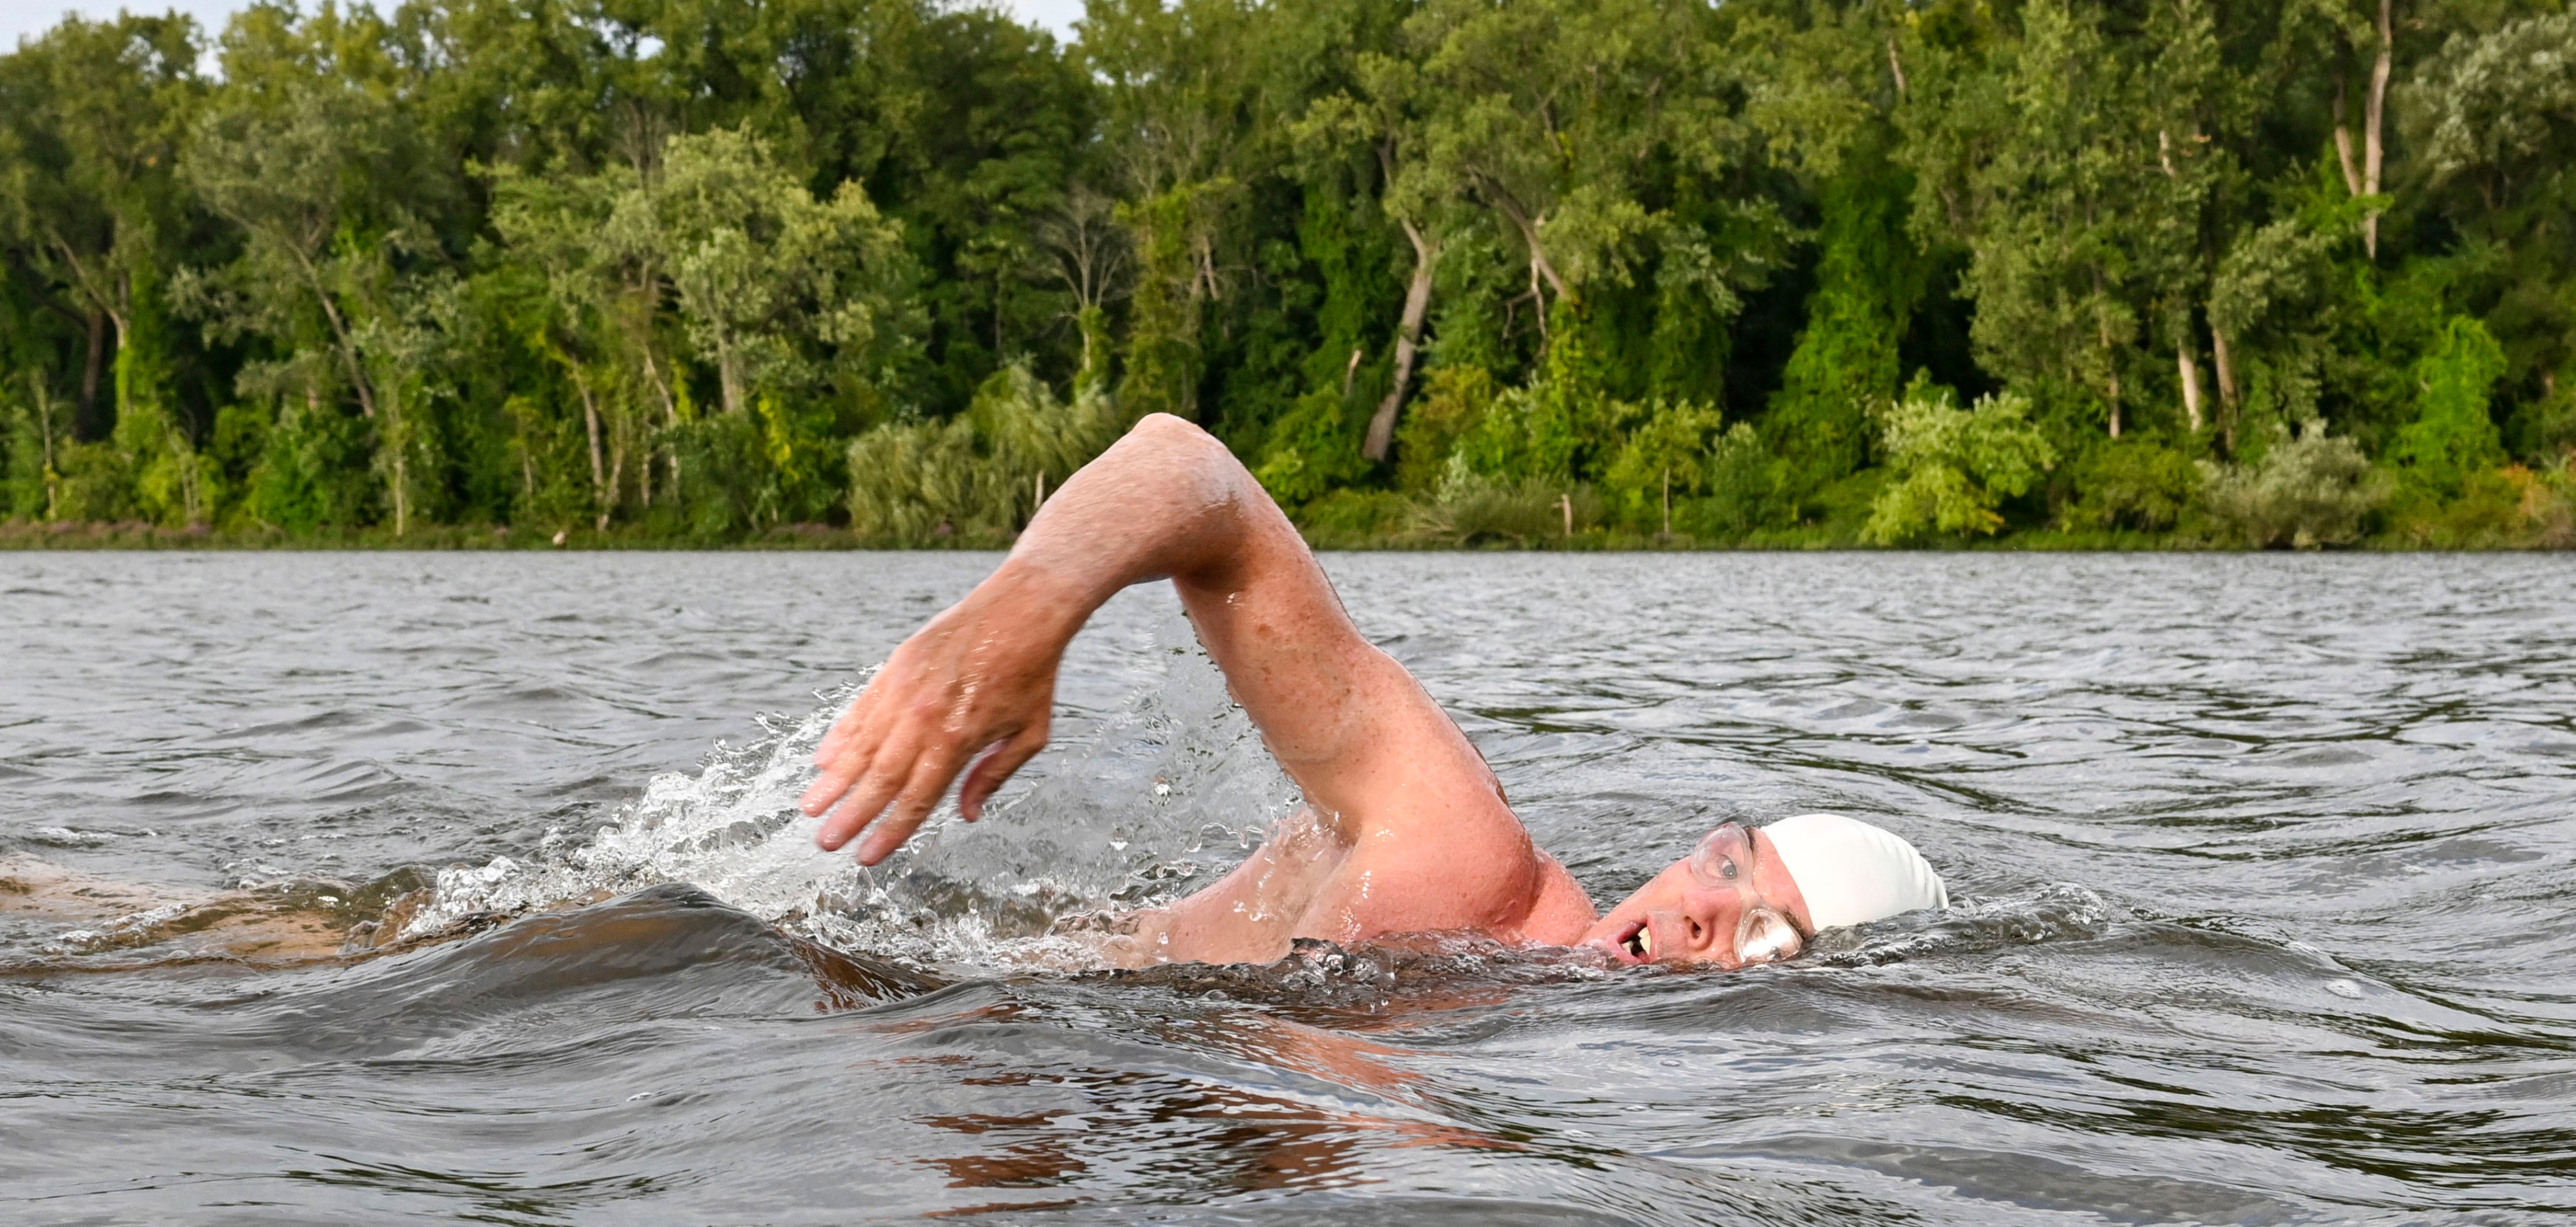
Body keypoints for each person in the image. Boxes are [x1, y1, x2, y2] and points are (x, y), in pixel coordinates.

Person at [801, 414, 1948, 970]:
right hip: (879, 970)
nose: (1703, 911)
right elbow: (1189, 472)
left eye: (1761, 944)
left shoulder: (1515, 1035)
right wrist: (1023, 613)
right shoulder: (1468, 861)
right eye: (1728, 863)